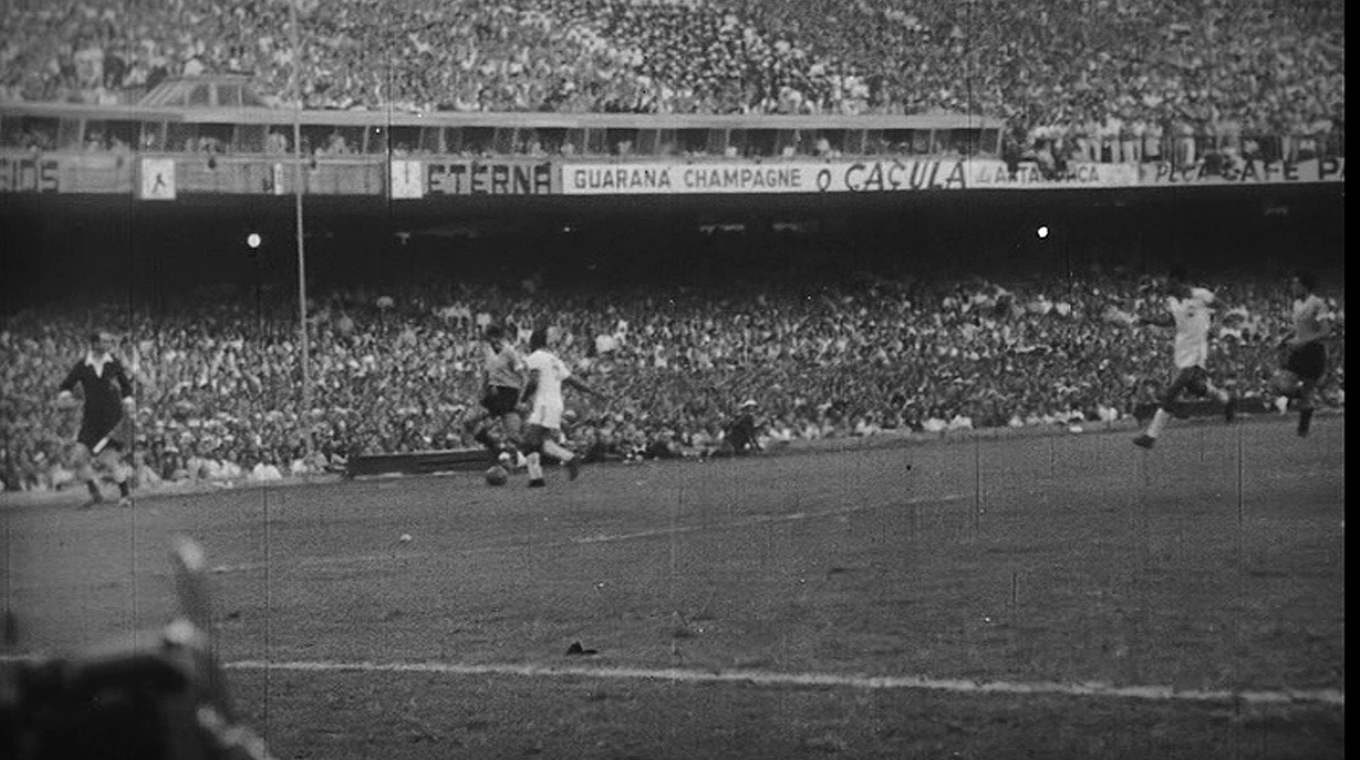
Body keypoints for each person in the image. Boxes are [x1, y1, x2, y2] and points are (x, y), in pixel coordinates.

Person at [1133, 268, 1237, 449]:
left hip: (1197, 350)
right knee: (1195, 387)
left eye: (1169, 282)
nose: (1166, 285)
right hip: (1181, 350)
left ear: (1178, 282)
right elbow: (1172, 321)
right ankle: (1226, 399)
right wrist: (1149, 320)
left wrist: (1216, 325)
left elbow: (1222, 306)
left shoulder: (1200, 295)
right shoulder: (1172, 300)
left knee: (1172, 390)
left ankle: (1151, 436)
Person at [57, 331, 136, 507]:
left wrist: (129, 402)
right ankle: (95, 494)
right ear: (94, 344)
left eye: (109, 342)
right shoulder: (83, 365)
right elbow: (66, 385)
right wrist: (65, 396)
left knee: (108, 459)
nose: (108, 345)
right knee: (77, 459)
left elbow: (127, 387)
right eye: (104, 342)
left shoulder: (113, 363)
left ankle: (125, 496)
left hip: (111, 419)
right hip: (91, 419)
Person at [519, 327, 606, 487]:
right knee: (541, 441)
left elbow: (533, 381)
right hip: (555, 403)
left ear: (533, 342)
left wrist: (523, 399)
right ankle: (537, 478)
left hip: (544, 404)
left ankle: (568, 459)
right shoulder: (554, 359)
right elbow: (572, 380)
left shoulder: (535, 357)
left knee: (529, 441)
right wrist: (593, 391)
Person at [1270, 270, 1330, 436]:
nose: (1292, 287)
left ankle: (1302, 431)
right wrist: (1283, 339)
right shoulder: (1296, 305)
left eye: (1295, 284)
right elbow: (1298, 328)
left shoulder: (1318, 304)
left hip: (1314, 352)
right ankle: (1304, 402)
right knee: (1281, 385)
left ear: (1304, 286)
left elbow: (1326, 331)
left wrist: (1305, 340)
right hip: (1299, 351)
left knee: (1307, 393)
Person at [463, 324, 525, 457]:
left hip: (508, 394)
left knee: (513, 435)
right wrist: (481, 392)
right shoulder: (488, 351)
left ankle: (536, 453)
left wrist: (521, 399)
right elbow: (486, 373)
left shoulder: (510, 352)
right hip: (492, 392)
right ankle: (494, 446)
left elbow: (523, 377)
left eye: (493, 338)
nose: (491, 341)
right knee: (468, 420)